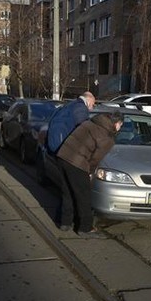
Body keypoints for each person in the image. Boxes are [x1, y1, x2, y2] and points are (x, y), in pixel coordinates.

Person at [57, 111, 124, 238]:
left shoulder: (91, 122)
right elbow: (95, 159)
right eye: (121, 125)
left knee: (67, 192)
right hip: (77, 163)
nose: (120, 128)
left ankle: (65, 223)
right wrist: (89, 172)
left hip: (63, 156)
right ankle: (85, 228)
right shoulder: (107, 137)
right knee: (84, 196)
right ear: (116, 124)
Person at [47, 91, 95, 231]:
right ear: (87, 100)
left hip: (57, 150)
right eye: (92, 104)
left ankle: (64, 221)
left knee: (66, 188)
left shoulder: (68, 106)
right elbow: (83, 130)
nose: (91, 108)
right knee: (77, 190)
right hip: (70, 154)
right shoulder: (80, 108)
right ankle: (81, 225)